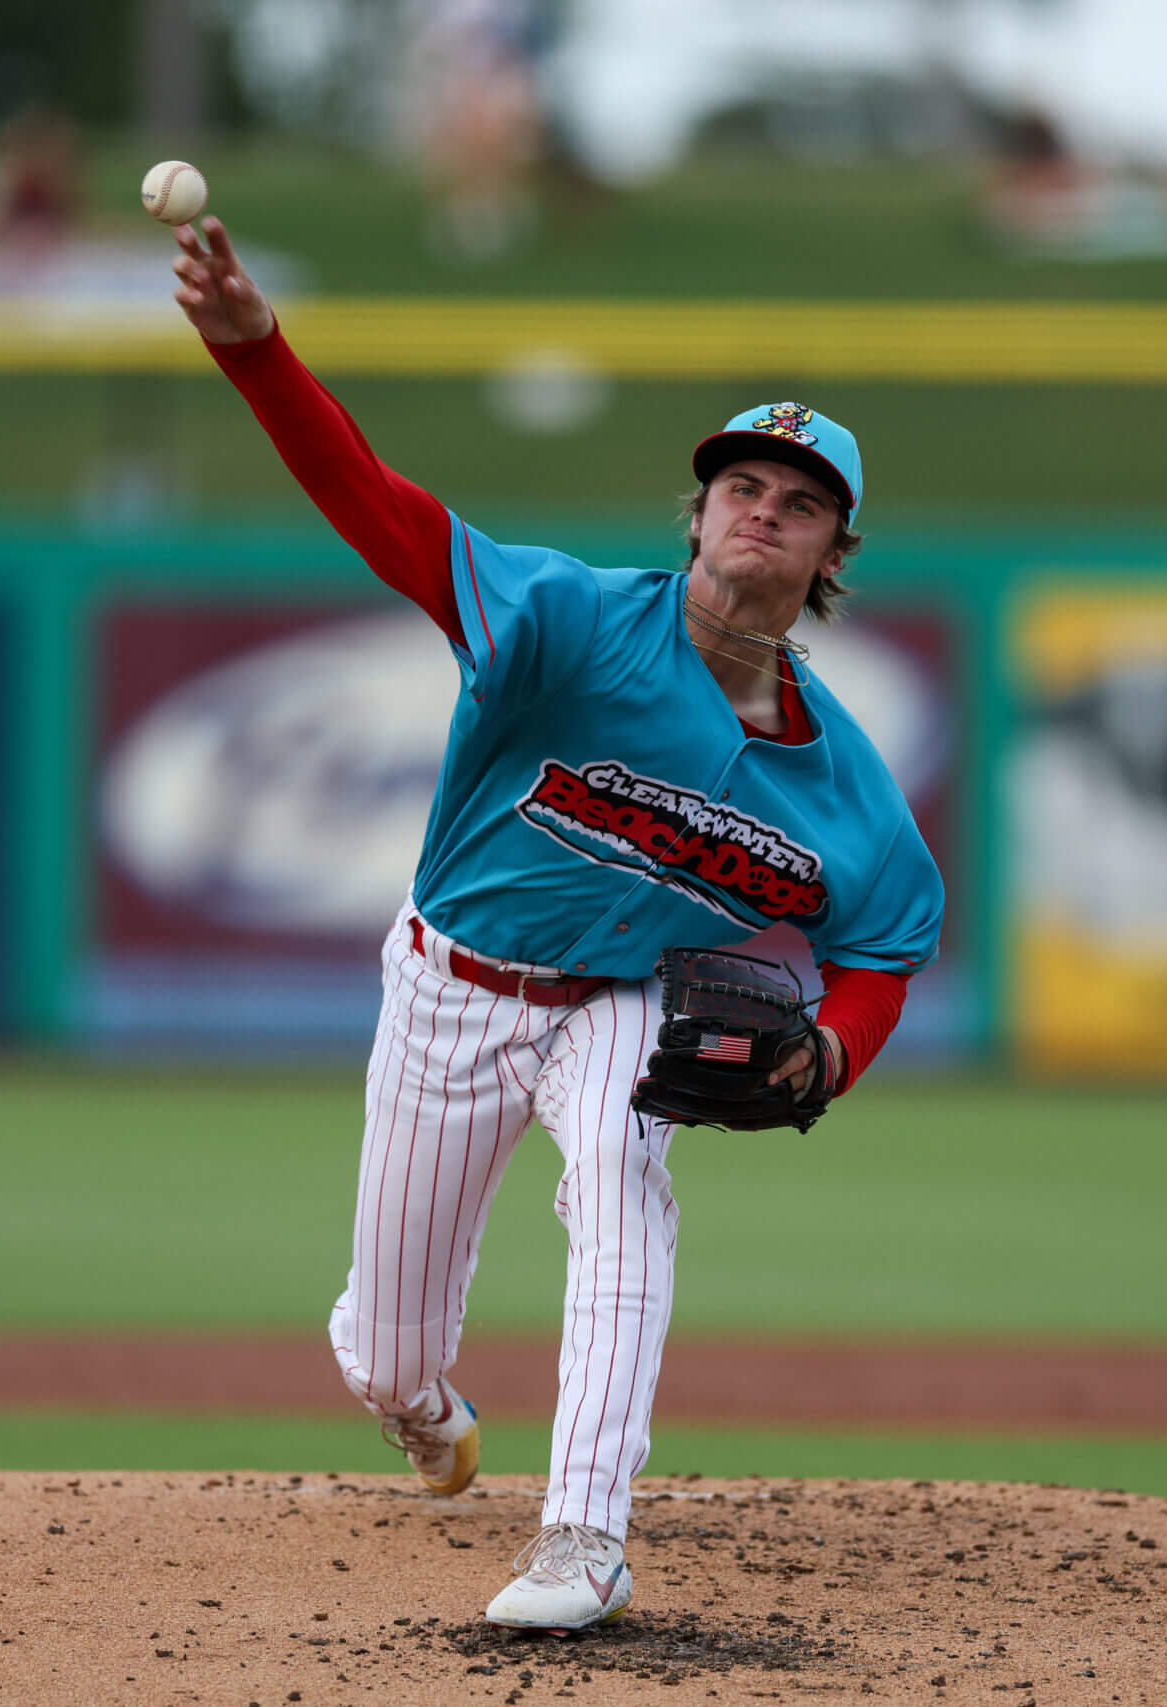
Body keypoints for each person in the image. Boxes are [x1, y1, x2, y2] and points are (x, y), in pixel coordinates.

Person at [171, 217, 943, 1633]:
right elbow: (374, 504)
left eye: (800, 500)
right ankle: (417, 1403)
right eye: (741, 485)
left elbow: (885, 948)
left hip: (613, 1004)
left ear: (834, 553)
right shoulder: (565, 619)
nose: (762, 509)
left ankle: (583, 1540)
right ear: (698, 514)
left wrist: (831, 1054)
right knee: (391, 1360)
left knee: (623, 1182)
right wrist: (253, 350)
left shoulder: (843, 790)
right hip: (446, 992)